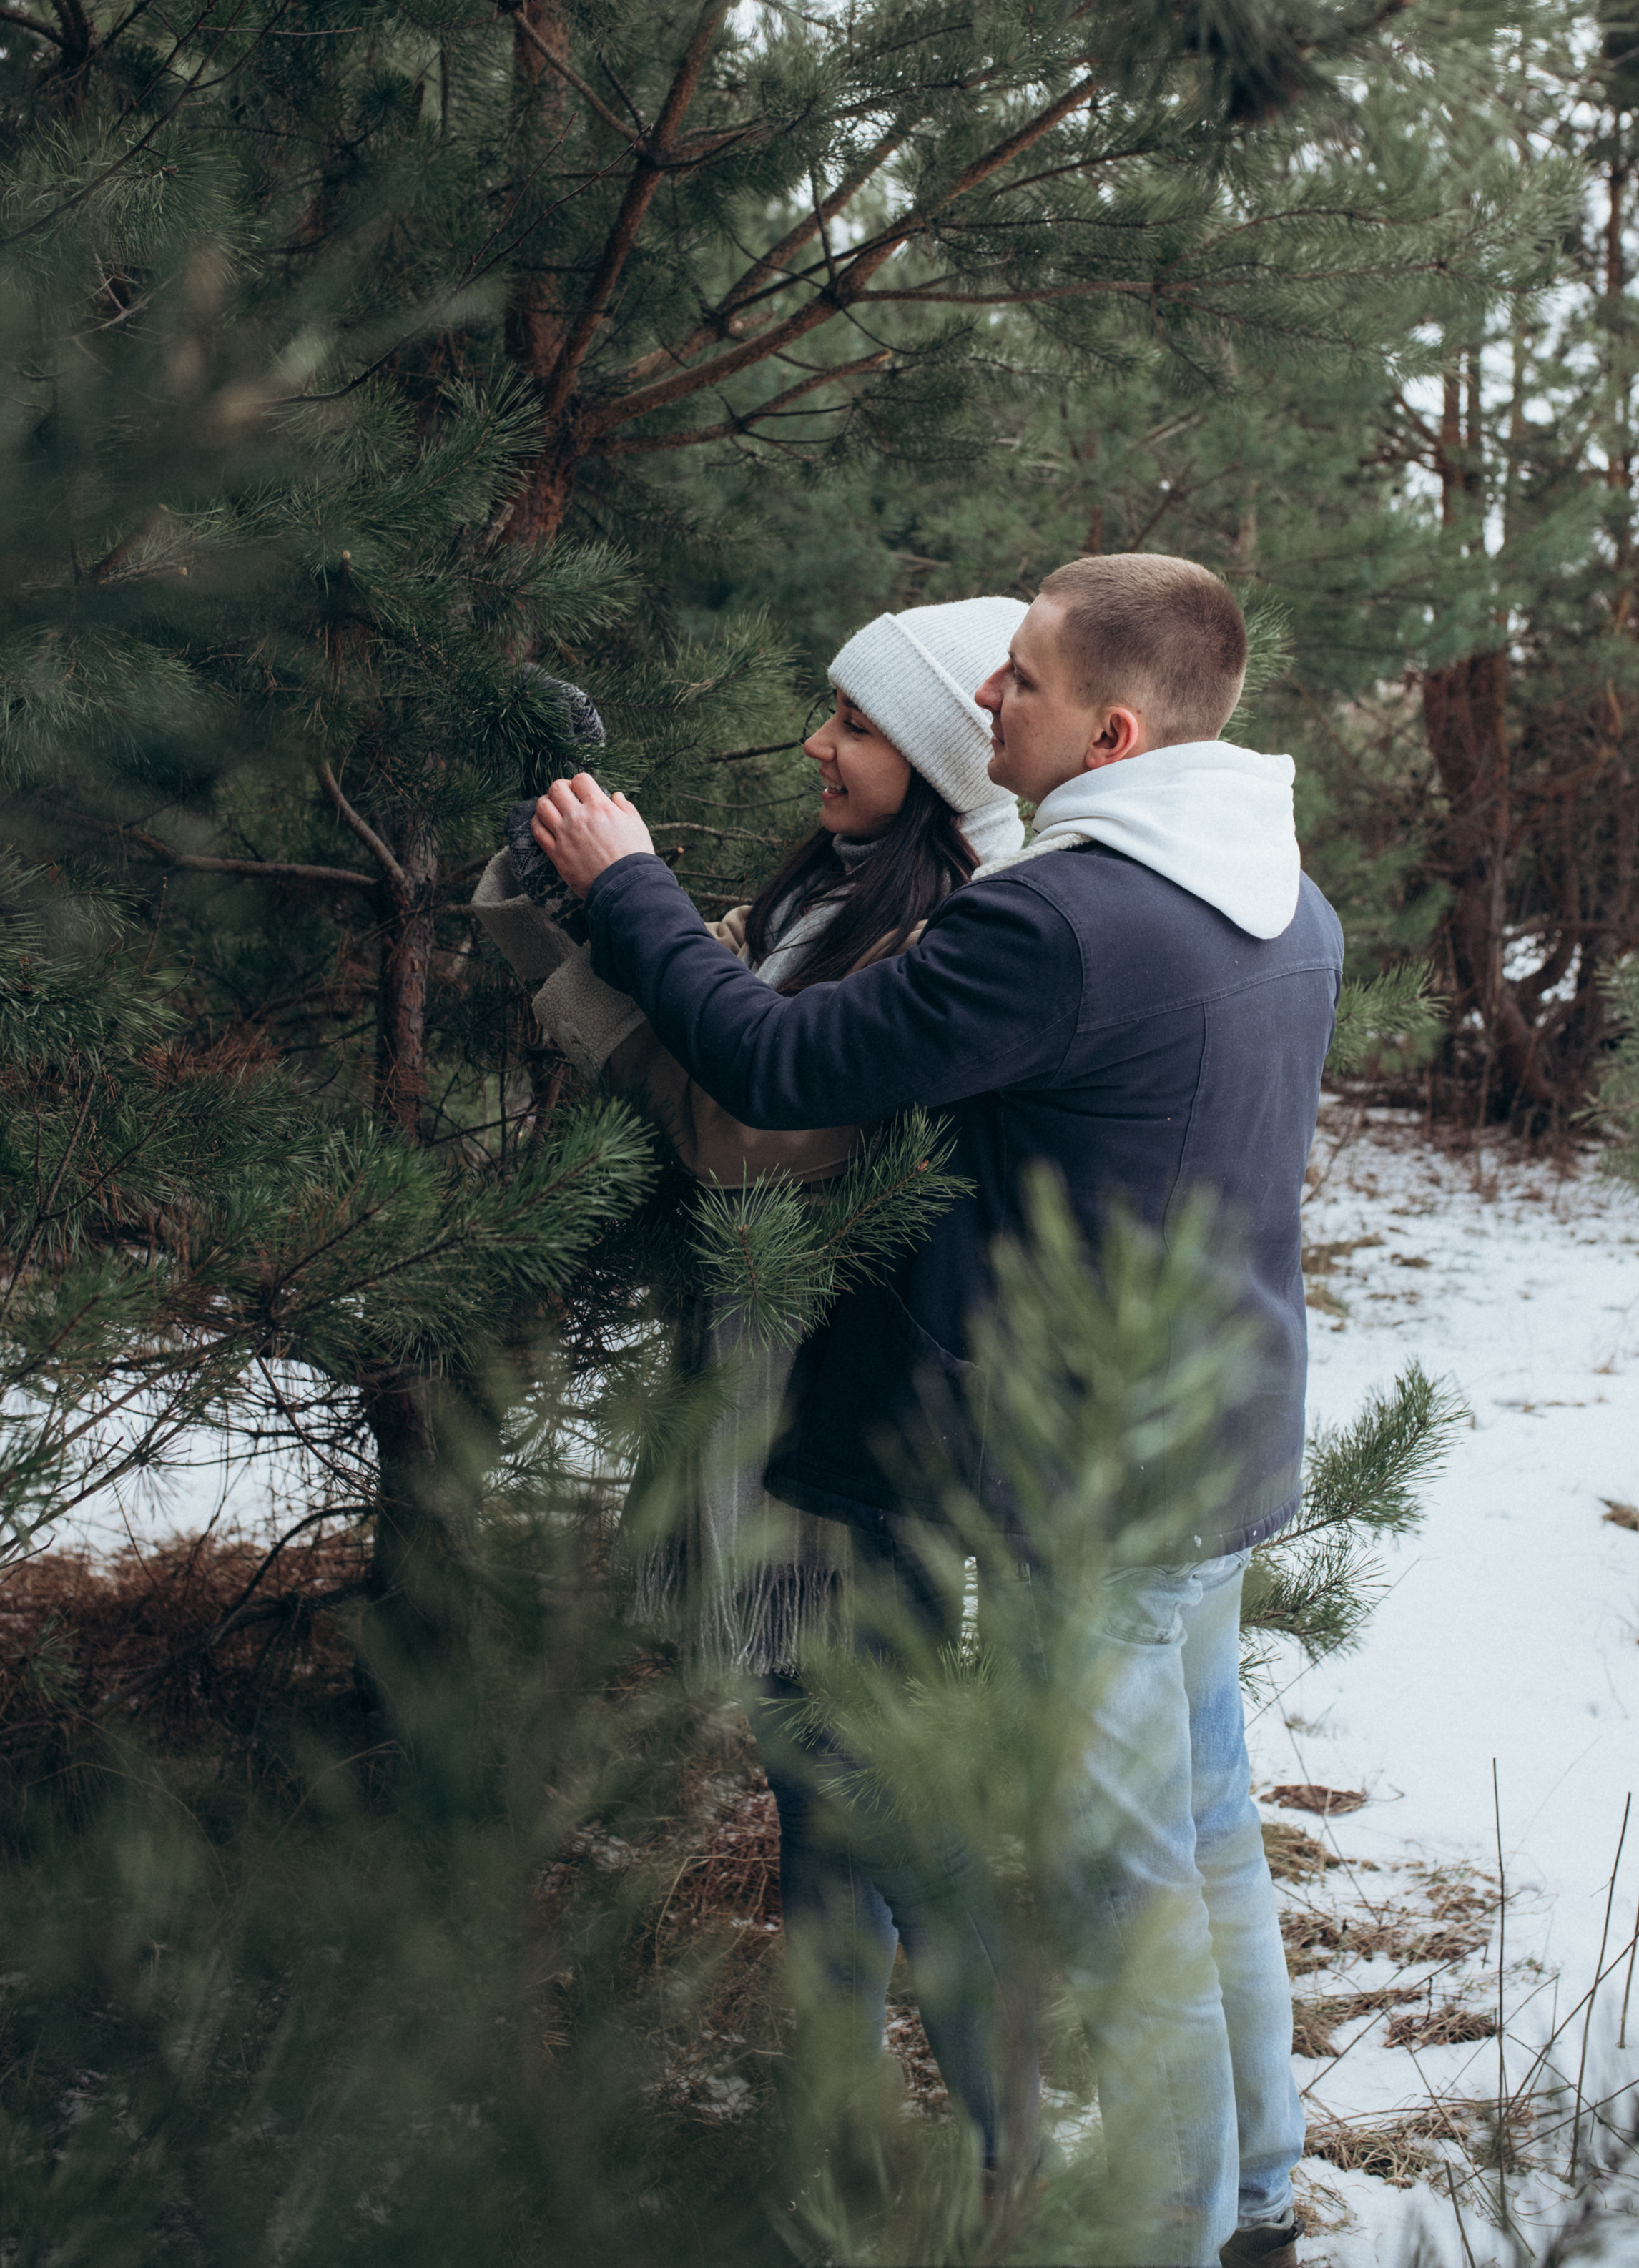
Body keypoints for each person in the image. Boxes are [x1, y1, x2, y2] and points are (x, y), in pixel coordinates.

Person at [531, 552, 1342, 2268]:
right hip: (1220, 1442)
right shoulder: (1283, 894)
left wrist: (627, 887)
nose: (987, 697)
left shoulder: (1056, 924)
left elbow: (779, 1071)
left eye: (1022, 679)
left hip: (1084, 1490)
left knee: (1125, 1903)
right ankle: (1261, 2199)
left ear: (1112, 735)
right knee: (1212, 1843)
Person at [474, 598, 1030, 2167]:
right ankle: (833, 2123)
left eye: (855, 724)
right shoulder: (824, 893)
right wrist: (556, 883)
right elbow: (694, 1011)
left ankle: (1015, 2154)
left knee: (886, 1793)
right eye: (827, 710)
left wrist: (629, 899)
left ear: (938, 759)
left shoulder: (944, 931)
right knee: (808, 1777)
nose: (815, 745)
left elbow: (745, 1128)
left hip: (852, 1430)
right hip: (757, 1398)